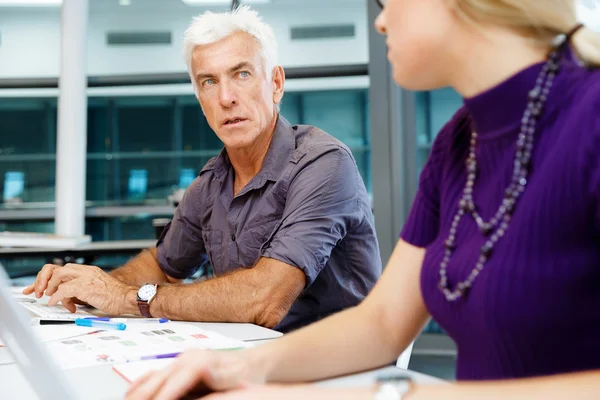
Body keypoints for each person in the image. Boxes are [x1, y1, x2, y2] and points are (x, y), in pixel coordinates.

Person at [124, 0, 600, 399]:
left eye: (388, 1)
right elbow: (384, 321)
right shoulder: (457, 144)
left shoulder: (590, 118)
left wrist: (396, 394)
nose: (381, 21)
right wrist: (238, 369)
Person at [23, 6, 381, 333]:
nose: (226, 97)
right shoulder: (211, 183)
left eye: (241, 74)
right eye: (209, 82)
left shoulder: (323, 163)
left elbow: (266, 301)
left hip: (335, 368)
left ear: (275, 83)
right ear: (200, 100)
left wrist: (126, 298)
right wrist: (92, 288)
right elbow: (162, 265)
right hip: (247, 358)